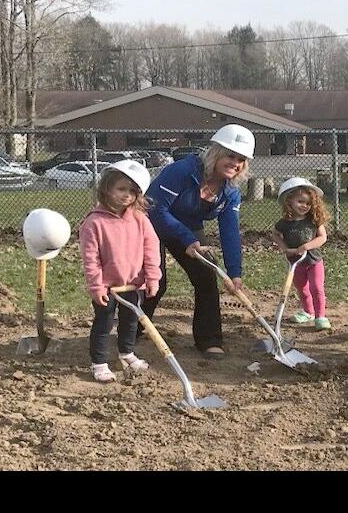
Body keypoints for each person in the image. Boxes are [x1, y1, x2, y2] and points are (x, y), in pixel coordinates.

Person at [142, 124, 254, 359]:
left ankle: (209, 339)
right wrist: (187, 239)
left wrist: (234, 273)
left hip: (188, 228)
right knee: (156, 281)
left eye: (241, 159)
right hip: (150, 225)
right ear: (216, 153)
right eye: (230, 155)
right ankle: (132, 329)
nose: (235, 163)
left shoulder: (230, 191)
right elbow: (155, 209)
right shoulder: (181, 171)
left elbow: (230, 232)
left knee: (206, 275)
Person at [79, 160, 161, 383]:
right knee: (104, 323)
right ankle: (99, 363)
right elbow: (91, 258)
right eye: (121, 189)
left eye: (132, 191)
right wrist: (96, 286)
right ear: (106, 188)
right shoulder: (94, 222)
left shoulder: (140, 220)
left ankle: (126, 353)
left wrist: (152, 277)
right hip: (107, 286)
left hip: (133, 284)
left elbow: (151, 249)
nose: (127, 195)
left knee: (131, 321)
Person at [271, 177, 331, 330]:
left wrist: (306, 246)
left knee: (316, 288)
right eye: (300, 202)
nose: (304, 206)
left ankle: (320, 316)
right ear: (289, 201)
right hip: (295, 262)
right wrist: (285, 248)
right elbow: (275, 234)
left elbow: (322, 237)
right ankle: (308, 312)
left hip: (313, 261)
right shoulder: (284, 222)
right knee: (302, 288)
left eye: (308, 203)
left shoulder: (314, 220)